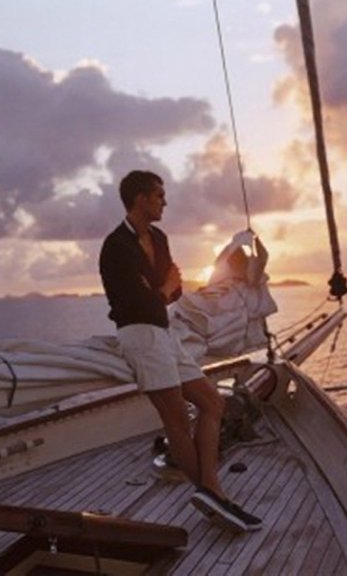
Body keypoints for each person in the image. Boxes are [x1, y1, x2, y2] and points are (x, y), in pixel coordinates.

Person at [99, 169, 262, 532]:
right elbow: (138, 302)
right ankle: (213, 494)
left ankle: (211, 491)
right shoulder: (116, 247)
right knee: (176, 419)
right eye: (159, 195)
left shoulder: (158, 237)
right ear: (140, 198)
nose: (165, 202)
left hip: (164, 330)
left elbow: (171, 293)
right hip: (140, 334)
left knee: (212, 403)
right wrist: (163, 288)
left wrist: (164, 288)